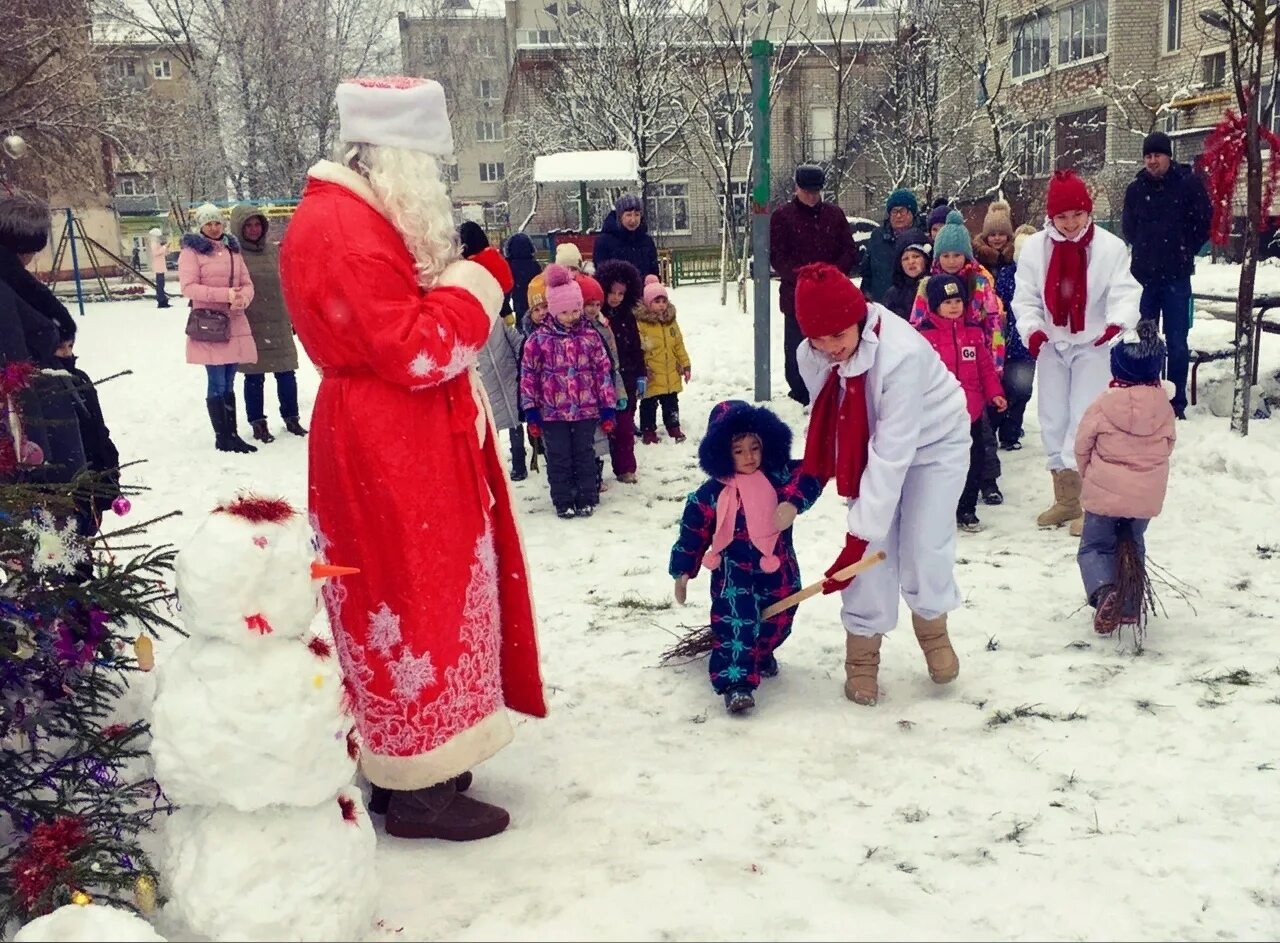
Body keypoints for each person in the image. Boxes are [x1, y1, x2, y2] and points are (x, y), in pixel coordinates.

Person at [278, 76, 546, 841]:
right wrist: (478, 284)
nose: (434, 185)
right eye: (429, 166)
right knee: (413, 589)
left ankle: (414, 765)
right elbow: (414, 347)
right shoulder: (341, 227)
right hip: (391, 440)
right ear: (395, 157)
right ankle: (422, 784)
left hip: (388, 432)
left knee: (413, 589)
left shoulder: (348, 215)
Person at [793, 262, 970, 707]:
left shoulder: (901, 356)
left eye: (839, 336)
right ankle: (863, 655)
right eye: (820, 338)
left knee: (922, 541)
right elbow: (833, 419)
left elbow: (893, 455)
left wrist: (858, 536)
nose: (831, 348)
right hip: (869, 443)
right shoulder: (811, 354)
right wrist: (860, 536)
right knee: (870, 556)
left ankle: (933, 628)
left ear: (858, 319)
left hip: (935, 443)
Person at [669, 401, 823, 714]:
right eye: (738, 451)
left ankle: (762, 651)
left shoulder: (778, 477)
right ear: (723, 453)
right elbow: (692, 532)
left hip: (778, 567)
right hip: (732, 572)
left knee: (779, 617)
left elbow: (812, 473)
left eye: (755, 448)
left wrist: (794, 503)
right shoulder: (710, 494)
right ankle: (736, 683)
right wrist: (683, 572)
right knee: (735, 624)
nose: (749, 457)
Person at [1013, 169, 1142, 536]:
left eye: (1077, 215)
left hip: (1092, 345)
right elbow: (1025, 298)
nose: (1070, 224)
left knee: (1086, 420)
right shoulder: (1036, 249)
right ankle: (1066, 498)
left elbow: (1124, 291)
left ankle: (1093, 504)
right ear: (1051, 217)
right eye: (1062, 216)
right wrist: (1033, 330)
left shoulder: (1109, 247)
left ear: (1088, 212)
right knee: (1052, 418)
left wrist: (1117, 323)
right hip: (1053, 345)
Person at [1075, 321, 1176, 635]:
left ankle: (1105, 591)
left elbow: (1082, 446)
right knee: (1134, 541)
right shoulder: (1164, 408)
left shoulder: (1103, 406)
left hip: (1104, 494)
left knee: (1095, 547)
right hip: (1144, 497)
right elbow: (1169, 445)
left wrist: (1087, 473)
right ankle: (1131, 606)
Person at [908, 210, 1006, 504]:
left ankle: (988, 480)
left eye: (957, 254)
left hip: (977, 361)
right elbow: (917, 321)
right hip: (944, 370)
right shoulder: (929, 285)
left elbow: (994, 321)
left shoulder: (980, 282)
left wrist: (995, 361)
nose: (952, 260)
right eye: (946, 255)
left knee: (982, 433)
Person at [1122, 131, 1213, 419]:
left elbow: (1203, 221)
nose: (1152, 161)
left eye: (1157, 155)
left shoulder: (1187, 184)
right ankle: (1147, 395)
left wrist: (1185, 249)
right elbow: (1129, 228)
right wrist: (1146, 247)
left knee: (1176, 341)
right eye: (1147, 156)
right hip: (1145, 278)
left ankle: (1176, 403)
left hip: (1176, 277)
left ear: (1168, 156)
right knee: (1145, 340)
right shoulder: (1136, 189)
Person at [0, 190, 87, 483]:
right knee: (46, 482)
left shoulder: (15, 282)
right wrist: (54, 344)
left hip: (31, 400)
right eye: (31, 252)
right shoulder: (9, 288)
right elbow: (17, 350)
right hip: (26, 407)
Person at [519, 264, 616, 518]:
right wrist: (531, 411)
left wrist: (607, 407)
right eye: (564, 312)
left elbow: (603, 372)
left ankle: (586, 496)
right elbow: (528, 377)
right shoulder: (538, 340)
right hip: (552, 413)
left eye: (575, 309)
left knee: (584, 453)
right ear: (553, 311)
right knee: (559, 456)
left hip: (586, 409)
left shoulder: (590, 337)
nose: (572, 316)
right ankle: (563, 500)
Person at [916, 275, 1007, 533]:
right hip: (939, 415)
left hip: (972, 412)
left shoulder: (973, 332)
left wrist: (995, 393)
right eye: (947, 302)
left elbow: (985, 368)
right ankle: (941, 510)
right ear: (934, 305)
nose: (954, 306)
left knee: (973, 461)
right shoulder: (924, 336)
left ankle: (967, 509)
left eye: (958, 301)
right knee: (942, 466)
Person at [769, 164, 859, 404]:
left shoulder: (834, 215)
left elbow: (849, 250)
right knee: (799, 345)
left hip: (831, 293)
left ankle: (834, 386)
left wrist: (831, 275)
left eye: (816, 192)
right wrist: (805, 277)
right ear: (797, 188)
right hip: (797, 295)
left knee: (833, 342)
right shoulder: (782, 216)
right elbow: (778, 257)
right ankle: (800, 390)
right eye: (807, 191)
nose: (811, 196)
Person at [178, 203, 259, 454]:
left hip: (233, 322)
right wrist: (223, 294)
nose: (214, 228)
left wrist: (243, 298)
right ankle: (222, 436)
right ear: (200, 226)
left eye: (217, 223)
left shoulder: (233, 250)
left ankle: (232, 433)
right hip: (209, 324)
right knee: (217, 382)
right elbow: (188, 287)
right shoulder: (191, 252)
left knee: (230, 381)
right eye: (209, 223)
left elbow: (246, 283)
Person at [230, 205, 306, 443]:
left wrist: (294, 315)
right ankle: (258, 423)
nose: (254, 229)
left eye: (257, 224)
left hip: (279, 321)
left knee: (286, 374)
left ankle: (291, 418)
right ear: (239, 228)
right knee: (254, 377)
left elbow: (289, 283)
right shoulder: (234, 256)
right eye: (248, 225)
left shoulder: (274, 252)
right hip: (250, 324)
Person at [466, 226, 527, 483]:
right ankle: (492, 464)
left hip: (507, 372)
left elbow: (515, 340)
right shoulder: (470, 325)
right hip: (485, 378)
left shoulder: (498, 322)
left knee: (514, 420)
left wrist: (525, 356)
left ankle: (520, 459)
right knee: (490, 423)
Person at [595, 259, 646, 482]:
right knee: (601, 429)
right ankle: (593, 473)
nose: (616, 297)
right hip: (601, 380)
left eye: (621, 293)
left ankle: (626, 468)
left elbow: (636, 346)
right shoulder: (596, 318)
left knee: (625, 426)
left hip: (626, 380)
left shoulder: (627, 316)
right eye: (612, 292)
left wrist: (641, 373)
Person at [992, 224, 1039, 451]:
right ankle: (1001, 427)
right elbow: (999, 306)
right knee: (1004, 389)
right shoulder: (1007, 275)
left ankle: (1011, 432)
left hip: (1028, 344)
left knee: (1022, 390)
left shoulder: (1041, 277)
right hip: (1007, 341)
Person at [579, 273, 625, 495]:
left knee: (599, 436)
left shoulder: (604, 326)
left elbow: (612, 362)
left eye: (597, 304)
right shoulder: (573, 327)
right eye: (589, 304)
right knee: (583, 439)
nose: (593, 308)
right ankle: (586, 478)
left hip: (600, 389)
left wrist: (619, 390)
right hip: (580, 391)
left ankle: (597, 476)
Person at [635, 274, 690, 444]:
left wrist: (685, 364)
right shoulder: (641, 323)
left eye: (663, 301)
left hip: (670, 372)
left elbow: (678, 344)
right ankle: (648, 430)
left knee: (671, 402)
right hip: (651, 374)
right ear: (647, 303)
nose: (661, 305)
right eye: (656, 302)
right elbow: (637, 350)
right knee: (648, 405)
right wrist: (642, 369)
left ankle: (673, 426)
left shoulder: (670, 322)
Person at [859, 189, 921, 305]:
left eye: (902, 211)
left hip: (912, 306)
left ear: (912, 213)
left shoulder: (921, 237)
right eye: (894, 211)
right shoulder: (878, 236)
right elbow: (867, 271)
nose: (898, 216)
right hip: (881, 302)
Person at [591, 194, 659, 278]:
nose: (633, 220)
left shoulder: (647, 241)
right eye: (628, 215)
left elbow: (653, 273)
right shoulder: (604, 242)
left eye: (637, 214)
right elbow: (601, 273)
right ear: (619, 216)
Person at [881, 228, 930, 321]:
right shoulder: (892, 295)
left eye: (916, 256)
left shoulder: (935, 286)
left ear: (926, 259)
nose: (911, 262)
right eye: (905, 259)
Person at [504, 232, 542, 325]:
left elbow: (506, 289)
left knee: (521, 329)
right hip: (535, 303)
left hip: (519, 305)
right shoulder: (534, 265)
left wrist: (506, 309)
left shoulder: (509, 266)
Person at [149, 227, 171, 308]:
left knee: (161, 284)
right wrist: (164, 247)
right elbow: (156, 253)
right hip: (158, 266)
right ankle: (161, 301)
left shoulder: (157, 243)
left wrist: (166, 248)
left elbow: (162, 253)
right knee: (160, 285)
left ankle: (163, 300)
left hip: (160, 266)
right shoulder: (154, 243)